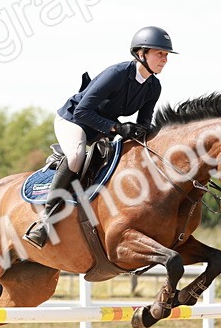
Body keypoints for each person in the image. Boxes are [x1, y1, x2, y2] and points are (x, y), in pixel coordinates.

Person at [23, 26, 177, 249]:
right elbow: (82, 112)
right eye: (159, 53)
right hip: (73, 121)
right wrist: (117, 128)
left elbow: (144, 123)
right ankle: (44, 220)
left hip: (101, 129)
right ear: (141, 53)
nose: (164, 59)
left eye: (166, 55)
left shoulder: (154, 86)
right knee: (76, 156)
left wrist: (141, 135)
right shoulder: (117, 74)